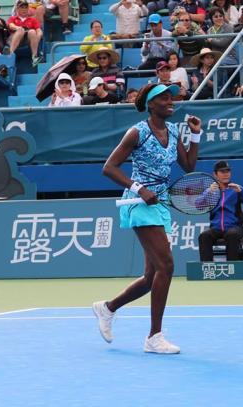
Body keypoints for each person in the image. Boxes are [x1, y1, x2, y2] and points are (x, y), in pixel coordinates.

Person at [95, 83, 202, 354]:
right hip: (138, 203)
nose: (171, 101)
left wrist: (196, 135)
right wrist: (138, 188)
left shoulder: (174, 130)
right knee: (166, 266)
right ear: (150, 104)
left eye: (172, 97)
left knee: (151, 274)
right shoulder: (137, 132)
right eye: (164, 98)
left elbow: (188, 165)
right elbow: (109, 167)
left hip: (160, 203)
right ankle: (154, 337)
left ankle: (107, 308)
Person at [198, 160, 243, 262]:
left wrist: (241, 192)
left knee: (232, 235)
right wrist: (208, 192)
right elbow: (198, 205)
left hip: (234, 227)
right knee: (204, 236)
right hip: (215, 228)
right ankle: (207, 268)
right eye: (222, 172)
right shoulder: (211, 190)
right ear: (215, 174)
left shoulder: (236, 188)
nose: (226, 174)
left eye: (228, 171)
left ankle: (232, 267)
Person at [7, 0, 43, 67]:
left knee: (32, 31)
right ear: (17, 9)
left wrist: (37, 37)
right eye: (22, 7)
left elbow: (39, 30)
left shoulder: (32, 20)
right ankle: (11, 54)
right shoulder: (13, 18)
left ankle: (34, 57)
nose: (24, 9)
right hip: (13, 38)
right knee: (21, 30)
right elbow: (11, 25)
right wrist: (17, 28)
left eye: (25, 7)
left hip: (26, 40)